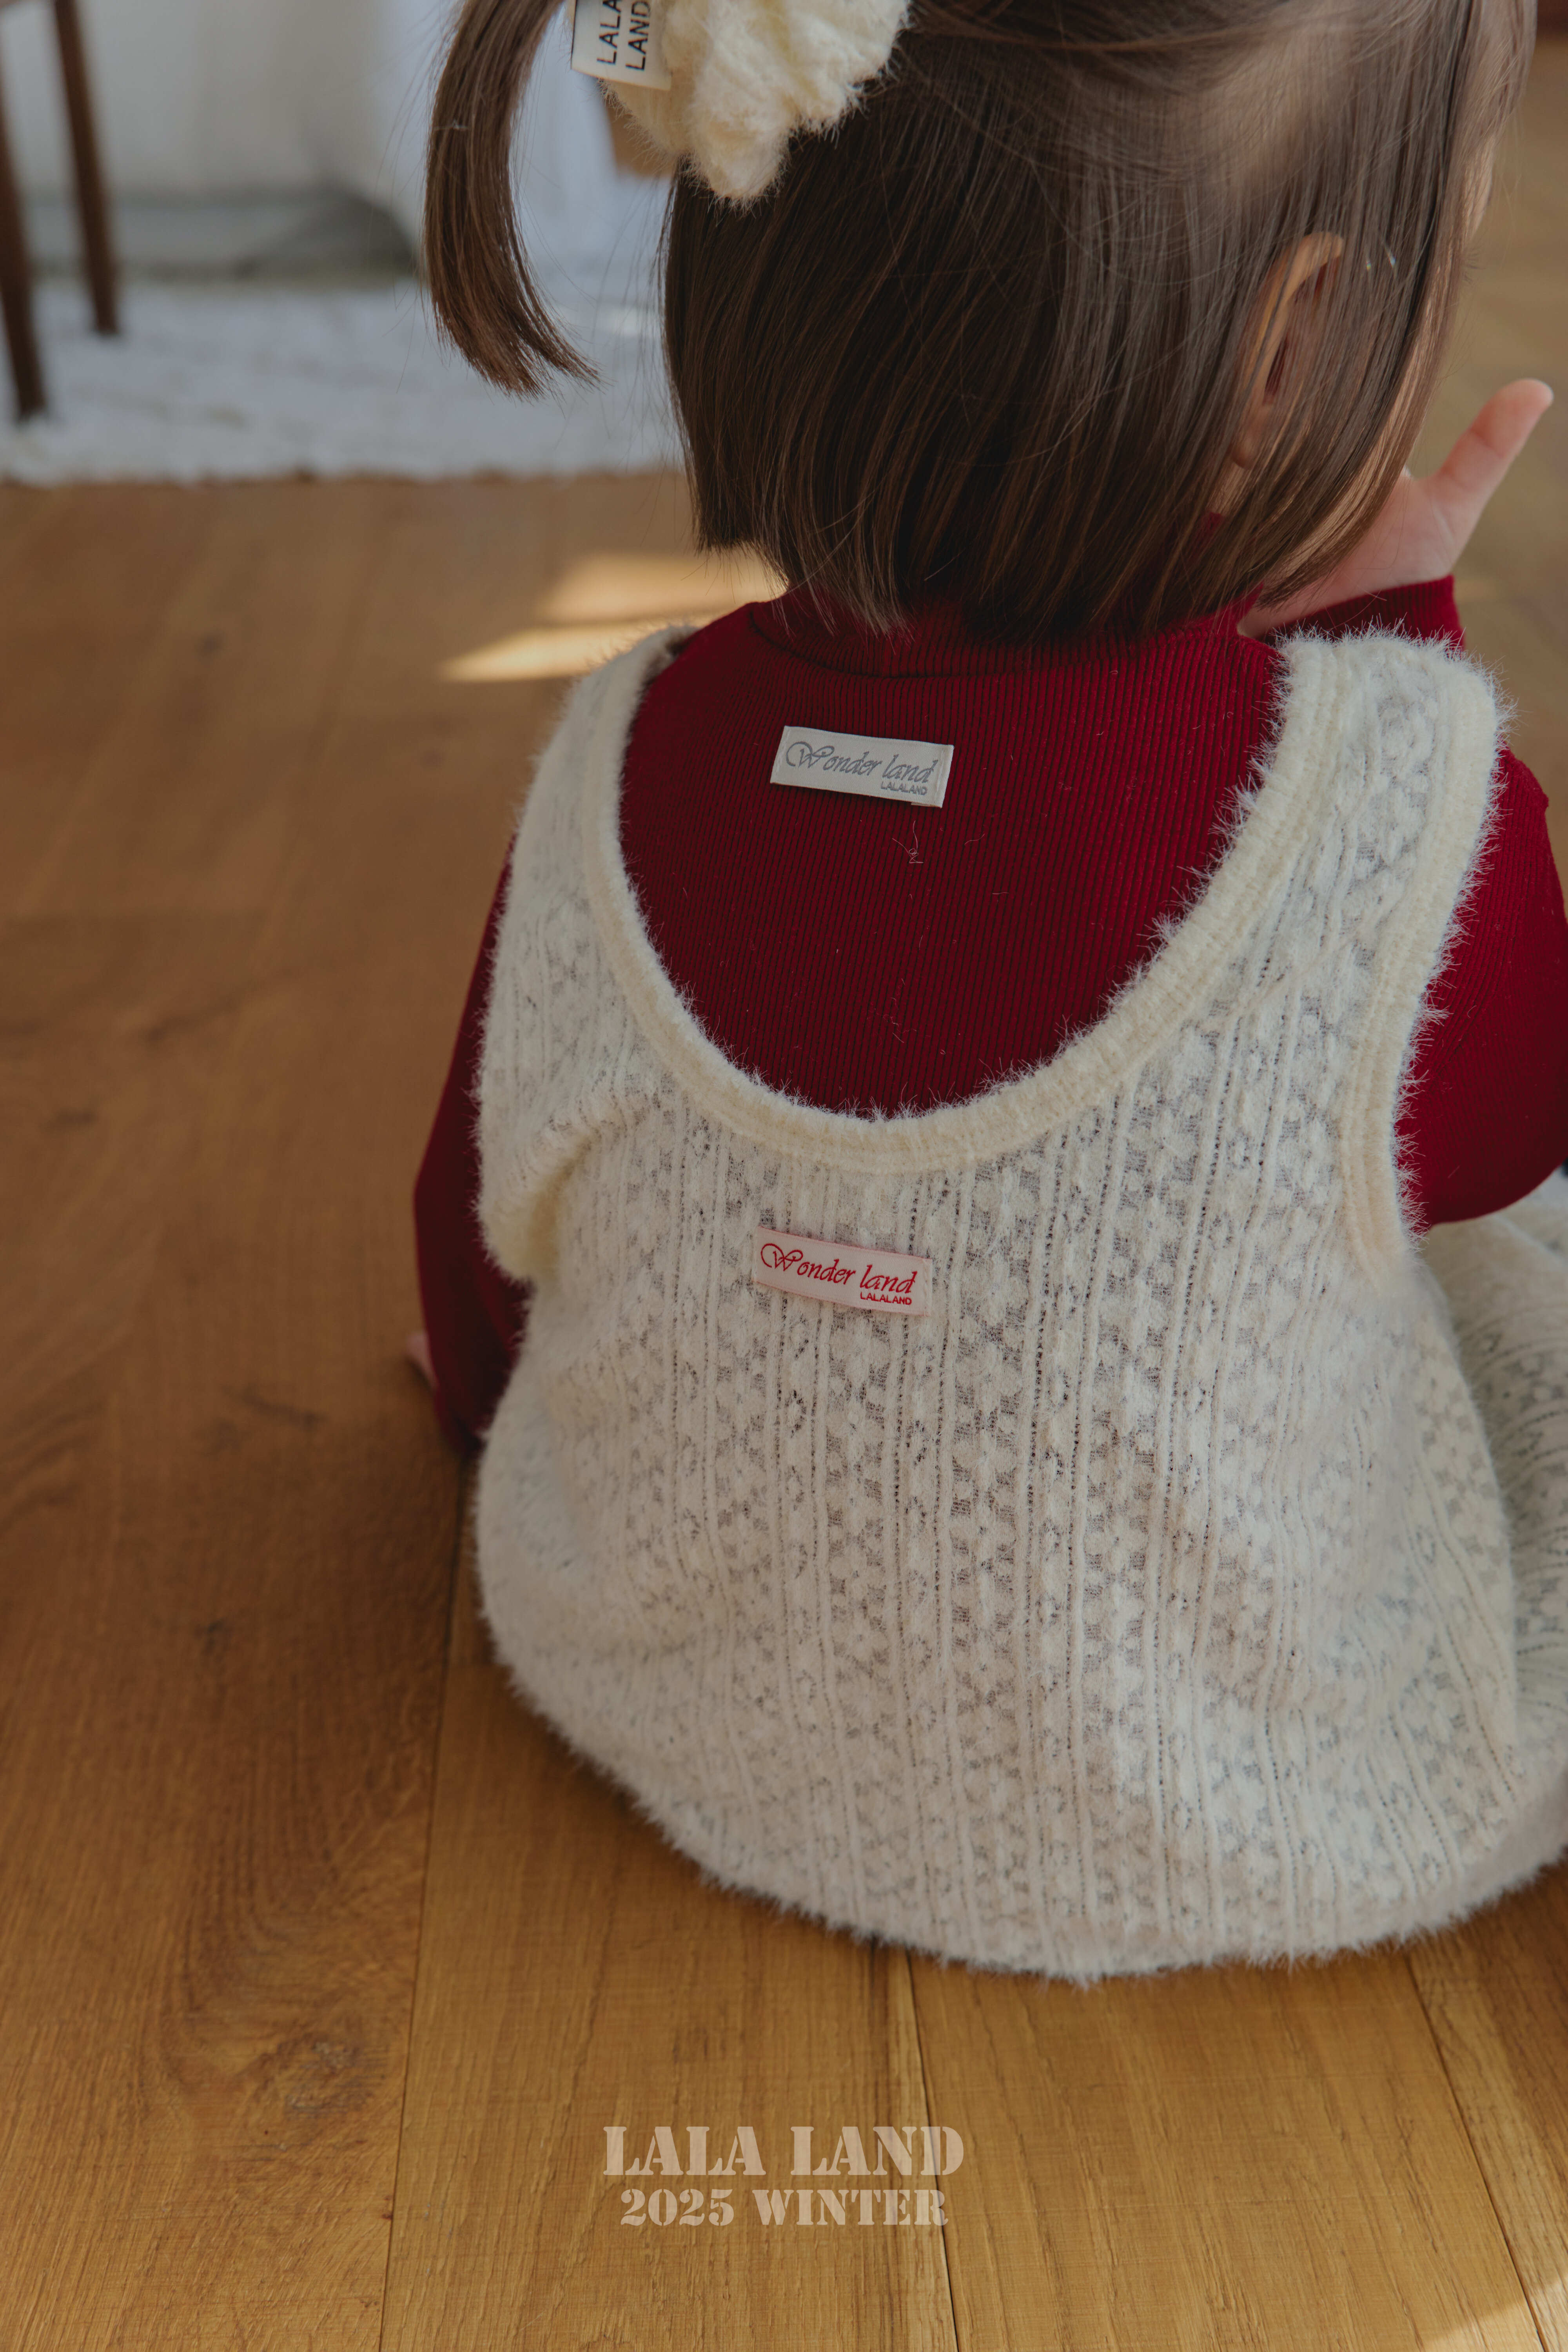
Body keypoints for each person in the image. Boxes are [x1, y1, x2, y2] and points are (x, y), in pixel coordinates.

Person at [410, 0, 1568, 1980]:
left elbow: (476, 1254)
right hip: (1263, 1813)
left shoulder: (612, 757)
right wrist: (1390, 649)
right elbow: (1501, 1147)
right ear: (1292, 350)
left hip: (666, 1715)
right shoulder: (1404, 812)